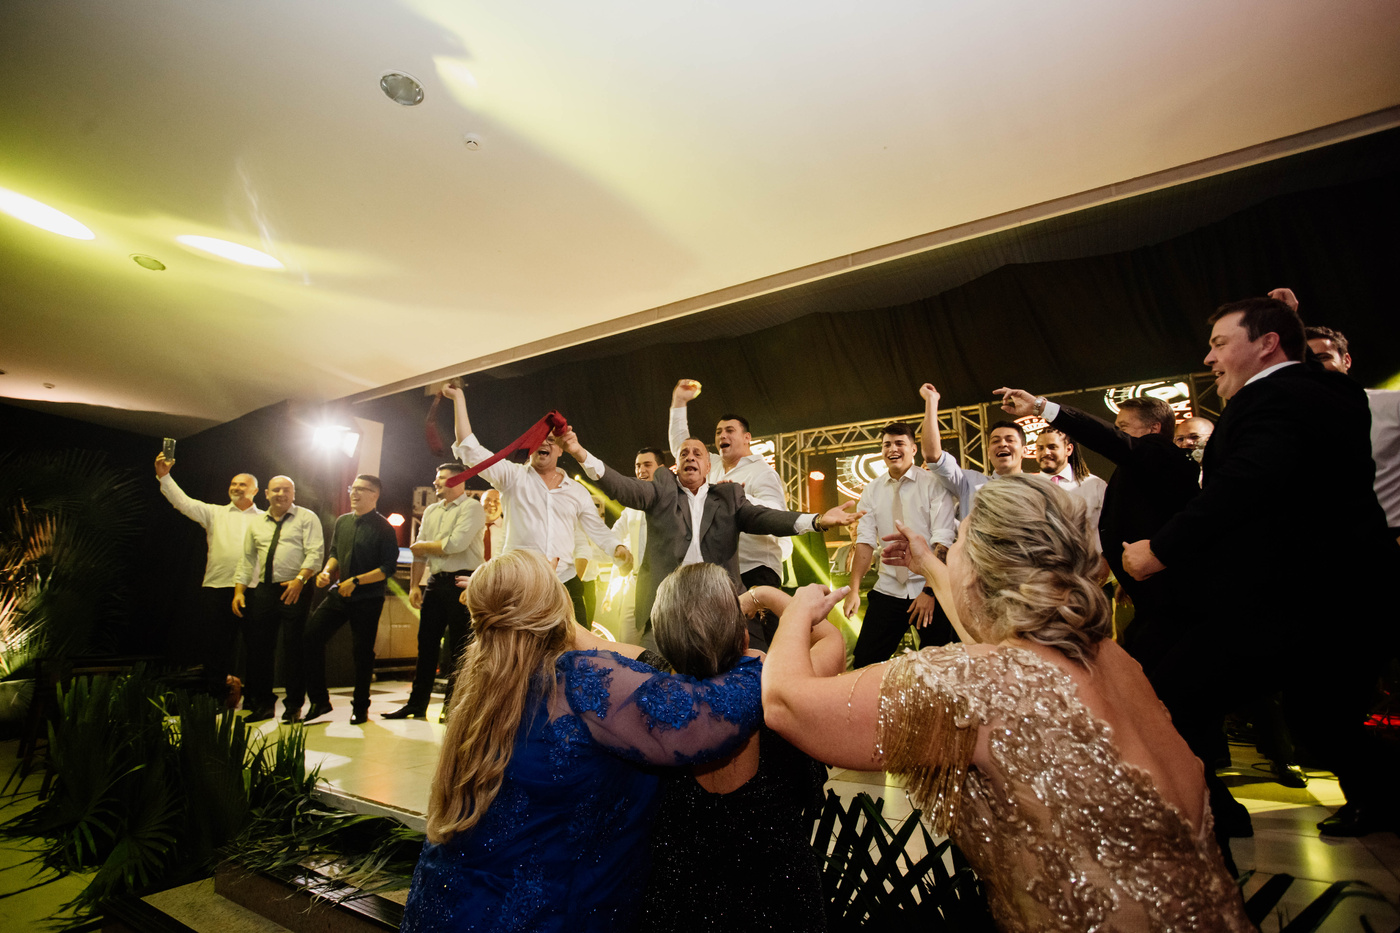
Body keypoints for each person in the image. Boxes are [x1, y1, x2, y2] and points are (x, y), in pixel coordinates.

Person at [762, 476, 1253, 931]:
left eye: (958, 544)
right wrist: (929, 565)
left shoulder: (976, 682)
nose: (951, 555)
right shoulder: (1113, 659)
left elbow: (786, 704)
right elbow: (995, 639)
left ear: (980, 571)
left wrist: (793, 610)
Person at [1123, 297, 1398, 839]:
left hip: (1291, 599)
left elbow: (1246, 482)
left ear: (1267, 344)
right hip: (1335, 597)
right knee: (1321, 717)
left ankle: (1203, 822)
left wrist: (1160, 550)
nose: (1209, 358)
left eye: (1220, 344)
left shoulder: (1276, 396)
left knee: (1169, 696)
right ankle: (1381, 799)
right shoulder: (1324, 391)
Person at [401, 551, 767, 933]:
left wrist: (540, 598)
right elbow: (707, 718)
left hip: (443, 906)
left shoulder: (480, 680)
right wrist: (757, 662)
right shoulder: (578, 680)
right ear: (558, 606)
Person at [635, 565, 840, 933]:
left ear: (664, 641)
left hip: (679, 901)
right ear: (744, 637)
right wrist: (765, 595)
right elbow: (831, 640)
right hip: (780, 901)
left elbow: (577, 636)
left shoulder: (650, 688)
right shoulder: (778, 689)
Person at [555, 427, 863, 653]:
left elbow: (766, 517)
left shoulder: (728, 497)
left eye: (697, 453)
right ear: (676, 467)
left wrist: (817, 520)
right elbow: (620, 486)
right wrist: (579, 452)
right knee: (655, 675)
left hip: (721, 605)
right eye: (684, 454)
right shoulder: (661, 489)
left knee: (753, 666)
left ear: (707, 466)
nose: (690, 457)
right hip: (667, 607)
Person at [992, 391, 1199, 673]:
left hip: (1167, 598)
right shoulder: (1145, 464)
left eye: (1123, 427)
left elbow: (1102, 436)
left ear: (1154, 429)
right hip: (1151, 596)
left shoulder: (1159, 452)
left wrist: (1042, 407)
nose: (1118, 432)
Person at [443, 384, 631, 626]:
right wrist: (458, 398)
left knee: (577, 645)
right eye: (539, 439)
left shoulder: (577, 491)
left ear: (561, 450)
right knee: (522, 645)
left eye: (552, 440)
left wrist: (617, 549)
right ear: (530, 447)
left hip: (565, 583)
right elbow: (471, 451)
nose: (545, 443)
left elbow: (597, 530)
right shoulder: (512, 477)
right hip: (521, 583)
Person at [842, 422, 958, 668]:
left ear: (913, 449)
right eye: (887, 445)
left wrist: (930, 591)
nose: (892, 449)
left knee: (941, 667)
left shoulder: (933, 484)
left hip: (930, 588)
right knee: (864, 662)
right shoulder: (871, 490)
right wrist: (853, 590)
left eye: (899, 443)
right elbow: (864, 541)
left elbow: (944, 540)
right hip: (888, 588)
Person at [154, 453, 262, 702]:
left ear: (255, 490)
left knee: (257, 647)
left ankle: (256, 700)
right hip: (217, 586)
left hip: (253, 588)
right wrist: (164, 476)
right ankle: (216, 699)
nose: (236, 487)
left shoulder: (265, 518)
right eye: (233, 484)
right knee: (216, 647)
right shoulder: (215, 513)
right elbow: (184, 503)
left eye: (242, 484)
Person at [385, 463, 485, 722]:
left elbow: (455, 544)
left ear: (458, 480)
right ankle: (416, 704)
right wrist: (413, 586)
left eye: (441, 478)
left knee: (458, 647)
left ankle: (453, 707)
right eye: (436, 477)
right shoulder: (431, 510)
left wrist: (422, 546)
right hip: (434, 582)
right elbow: (419, 553)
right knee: (426, 645)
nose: (435, 482)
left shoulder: (472, 507)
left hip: (462, 582)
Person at [668, 380, 790, 591]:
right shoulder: (711, 466)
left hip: (756, 569)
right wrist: (679, 401)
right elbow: (682, 446)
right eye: (718, 432)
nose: (722, 435)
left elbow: (778, 514)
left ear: (747, 437)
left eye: (729, 430)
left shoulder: (763, 472)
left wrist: (739, 497)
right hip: (719, 570)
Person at [304, 474, 400, 726]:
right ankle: (319, 701)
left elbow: (387, 569)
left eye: (361, 489)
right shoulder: (343, 521)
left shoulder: (384, 528)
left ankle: (360, 707)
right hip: (340, 593)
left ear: (374, 494)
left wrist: (356, 581)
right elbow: (335, 552)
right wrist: (327, 572)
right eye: (352, 488)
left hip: (368, 598)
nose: (354, 493)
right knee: (311, 637)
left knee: (362, 652)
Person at [231, 475, 323, 723]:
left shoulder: (307, 518)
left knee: (293, 648)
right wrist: (239, 591)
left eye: (286, 490)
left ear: (293, 494)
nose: (281, 494)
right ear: (266, 494)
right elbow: (247, 560)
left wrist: (300, 580)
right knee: (259, 649)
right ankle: (263, 704)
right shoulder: (257, 523)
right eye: (276, 490)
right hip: (265, 589)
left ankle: (293, 706)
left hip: (296, 587)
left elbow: (315, 554)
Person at [1306, 323, 1400, 542]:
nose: (1313, 367)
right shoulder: (1289, 423)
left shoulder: (1392, 404)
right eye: (1305, 362)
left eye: (1322, 358)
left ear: (1346, 361)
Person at [918, 383, 1025, 516]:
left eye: (1010, 440)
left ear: (1024, 450)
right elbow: (933, 456)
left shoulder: (1038, 488)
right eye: (995, 441)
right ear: (988, 453)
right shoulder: (969, 482)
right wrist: (931, 401)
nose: (1002, 444)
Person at [609, 448, 667, 643]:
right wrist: (620, 551)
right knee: (626, 644)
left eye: (647, 465)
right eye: (638, 466)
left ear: (661, 469)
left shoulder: (675, 501)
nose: (641, 470)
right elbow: (613, 535)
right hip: (636, 585)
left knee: (665, 646)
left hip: (667, 586)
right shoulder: (631, 506)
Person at [1030, 425, 1108, 555]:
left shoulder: (1094, 485)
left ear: (1069, 449)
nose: (1045, 453)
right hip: (1043, 564)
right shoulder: (1027, 487)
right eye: (1040, 448)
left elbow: (1114, 528)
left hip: (1089, 563)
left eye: (1052, 447)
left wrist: (1105, 558)